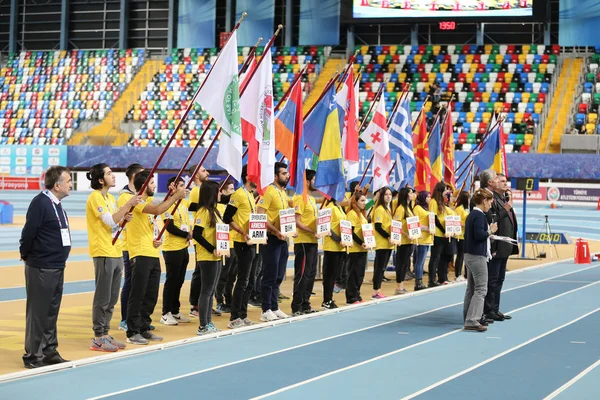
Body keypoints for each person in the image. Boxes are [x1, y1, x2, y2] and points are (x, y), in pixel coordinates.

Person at [126, 170, 187, 345]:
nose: (154, 186)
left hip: (152, 252)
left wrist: (173, 193)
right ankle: (132, 331)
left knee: (151, 294)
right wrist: (176, 196)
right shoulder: (137, 201)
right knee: (138, 293)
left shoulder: (149, 200)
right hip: (139, 252)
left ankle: (144, 327)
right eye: (152, 184)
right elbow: (159, 209)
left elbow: (161, 204)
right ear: (144, 186)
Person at [20, 166, 72, 368]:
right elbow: (28, 233)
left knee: (51, 312)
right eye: (68, 181)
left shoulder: (57, 205)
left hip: (57, 266)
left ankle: (49, 351)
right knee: (38, 312)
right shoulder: (40, 203)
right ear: (57, 185)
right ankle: (33, 355)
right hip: (42, 267)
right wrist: (26, 255)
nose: (70, 184)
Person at [86, 164, 141, 352]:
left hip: (115, 251)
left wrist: (124, 218)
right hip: (103, 252)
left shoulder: (109, 197)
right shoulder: (95, 197)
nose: (113, 176)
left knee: (111, 298)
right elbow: (109, 221)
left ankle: (105, 333)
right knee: (102, 297)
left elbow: (115, 225)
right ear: (100, 180)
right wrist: (127, 205)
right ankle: (98, 337)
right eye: (109, 173)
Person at [257, 162, 293, 322]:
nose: (287, 175)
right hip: (272, 238)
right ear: (275, 176)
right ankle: (266, 309)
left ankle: (274, 306)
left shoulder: (283, 193)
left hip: (282, 239)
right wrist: (275, 231)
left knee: (279, 275)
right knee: (270, 275)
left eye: (287, 173)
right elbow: (260, 214)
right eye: (284, 173)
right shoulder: (269, 192)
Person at [223, 165, 258, 328]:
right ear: (248, 177)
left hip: (252, 241)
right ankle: (234, 317)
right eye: (256, 175)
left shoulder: (250, 194)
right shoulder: (238, 194)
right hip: (241, 241)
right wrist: (242, 231)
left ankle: (243, 315)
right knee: (243, 280)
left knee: (250, 280)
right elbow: (226, 217)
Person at [484, 173, 518, 322]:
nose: (505, 183)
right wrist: (506, 209)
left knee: (500, 279)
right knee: (492, 280)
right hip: (497, 246)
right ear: (493, 183)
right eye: (501, 181)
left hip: (506, 245)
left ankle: (495, 309)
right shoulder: (494, 201)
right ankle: (488, 310)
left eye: (506, 181)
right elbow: (493, 221)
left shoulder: (504, 199)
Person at [160, 176, 193, 326]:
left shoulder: (184, 202)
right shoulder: (166, 204)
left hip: (183, 247)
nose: (184, 188)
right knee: (172, 281)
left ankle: (175, 310)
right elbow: (170, 227)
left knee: (179, 281)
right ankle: (165, 313)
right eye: (180, 185)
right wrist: (187, 234)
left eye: (184, 185)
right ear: (172, 188)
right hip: (172, 248)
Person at [463, 189, 497, 332]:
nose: (490, 205)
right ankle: (473, 319)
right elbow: (478, 235)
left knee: (471, 288)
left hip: (470, 254)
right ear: (484, 201)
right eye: (490, 202)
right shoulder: (479, 216)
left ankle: (468, 316)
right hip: (477, 256)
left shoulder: (472, 215)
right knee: (481, 288)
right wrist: (490, 231)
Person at [192, 181, 223, 335]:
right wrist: (212, 248)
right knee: (206, 291)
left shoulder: (214, 211)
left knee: (211, 291)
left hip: (217, 256)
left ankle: (208, 323)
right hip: (207, 256)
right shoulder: (203, 212)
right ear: (212, 193)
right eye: (218, 191)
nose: (221, 194)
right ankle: (203, 325)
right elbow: (196, 234)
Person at [117, 163, 144, 332]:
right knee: (130, 283)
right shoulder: (125, 196)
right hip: (129, 246)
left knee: (138, 285)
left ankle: (136, 318)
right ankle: (125, 319)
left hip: (139, 245)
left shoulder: (138, 195)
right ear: (135, 177)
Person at [291, 170, 319, 315]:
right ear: (307, 182)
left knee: (311, 274)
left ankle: (306, 304)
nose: (317, 182)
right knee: (302, 274)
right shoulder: (300, 198)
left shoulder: (312, 199)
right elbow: (297, 222)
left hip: (313, 240)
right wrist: (311, 231)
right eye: (314, 179)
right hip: (303, 241)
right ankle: (297, 306)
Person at [186, 164, 211, 317]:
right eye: (203, 170)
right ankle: (195, 305)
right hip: (202, 236)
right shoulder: (197, 191)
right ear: (196, 175)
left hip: (208, 235)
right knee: (200, 272)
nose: (207, 172)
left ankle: (202, 304)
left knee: (204, 272)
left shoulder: (202, 190)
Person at [215, 180, 237, 314]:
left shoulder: (233, 206)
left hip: (235, 244)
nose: (233, 192)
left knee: (232, 276)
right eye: (230, 189)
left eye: (234, 189)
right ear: (223, 192)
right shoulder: (219, 207)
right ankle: (219, 301)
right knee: (223, 275)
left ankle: (229, 299)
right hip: (225, 245)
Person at [321, 198, 346, 309]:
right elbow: (327, 227)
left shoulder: (339, 207)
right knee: (329, 275)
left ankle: (329, 299)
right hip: (331, 246)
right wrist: (338, 239)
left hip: (340, 247)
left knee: (334, 275)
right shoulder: (330, 207)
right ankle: (326, 300)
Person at [428, 182, 454, 287]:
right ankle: (432, 280)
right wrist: (443, 229)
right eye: (444, 190)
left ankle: (442, 277)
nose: (446, 192)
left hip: (444, 234)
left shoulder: (441, 202)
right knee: (435, 257)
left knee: (443, 256)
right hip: (438, 234)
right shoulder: (433, 202)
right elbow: (434, 218)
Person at [345, 191, 369, 304]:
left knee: (360, 273)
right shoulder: (352, 214)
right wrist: (360, 243)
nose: (365, 203)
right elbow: (351, 232)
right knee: (353, 273)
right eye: (362, 200)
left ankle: (357, 294)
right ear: (355, 202)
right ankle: (351, 297)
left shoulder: (361, 214)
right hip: (355, 248)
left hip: (362, 248)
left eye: (365, 200)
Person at [372, 187, 394, 299]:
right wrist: (388, 236)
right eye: (386, 194)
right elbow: (378, 226)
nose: (389, 196)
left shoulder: (388, 209)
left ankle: (378, 290)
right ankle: (376, 291)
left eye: (390, 194)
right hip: (382, 243)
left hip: (388, 243)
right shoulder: (379, 209)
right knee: (379, 268)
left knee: (382, 268)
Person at [394, 187, 416, 295]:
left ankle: (402, 285)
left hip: (410, 241)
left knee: (405, 264)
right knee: (401, 264)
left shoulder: (409, 207)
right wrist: (406, 234)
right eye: (411, 193)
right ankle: (399, 286)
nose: (413, 195)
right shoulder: (401, 209)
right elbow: (396, 225)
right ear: (406, 195)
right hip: (403, 241)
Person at [413, 191, 432, 291]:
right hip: (421, 238)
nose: (429, 199)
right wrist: (426, 228)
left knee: (422, 261)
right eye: (427, 197)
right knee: (419, 261)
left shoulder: (426, 208)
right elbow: (414, 223)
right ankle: (418, 281)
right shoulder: (417, 208)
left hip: (427, 238)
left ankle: (419, 280)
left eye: (430, 197)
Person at [454, 190, 470, 282]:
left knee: (465, 255)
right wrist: (466, 224)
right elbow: (457, 221)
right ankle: (457, 274)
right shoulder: (459, 209)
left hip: (465, 235)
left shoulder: (465, 209)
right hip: (460, 235)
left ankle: (465, 274)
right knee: (460, 255)